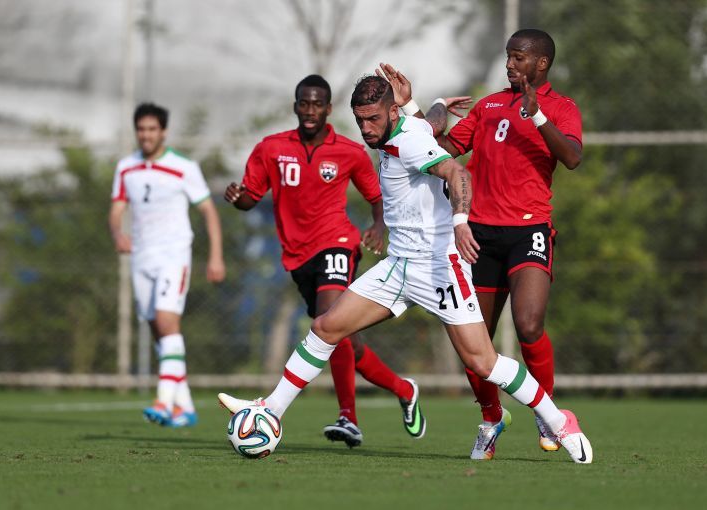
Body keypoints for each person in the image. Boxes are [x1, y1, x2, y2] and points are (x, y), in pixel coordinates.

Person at [218, 75, 593, 464]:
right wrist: (437, 102)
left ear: (392, 112)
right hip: (399, 266)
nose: (366, 129)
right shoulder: (406, 128)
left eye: (373, 119)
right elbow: (432, 123)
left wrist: (460, 221)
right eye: (360, 120)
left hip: (438, 268)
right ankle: (271, 409)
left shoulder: (409, 142)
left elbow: (459, 173)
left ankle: (559, 420)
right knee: (326, 327)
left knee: (483, 362)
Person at [380, 28, 583, 460]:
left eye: (518, 57)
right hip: (477, 234)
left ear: (541, 63)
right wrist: (411, 107)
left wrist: (537, 117)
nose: (509, 64)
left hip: (528, 230)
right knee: (475, 344)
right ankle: (491, 418)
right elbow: (441, 147)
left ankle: (547, 413)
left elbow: (572, 158)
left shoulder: (561, 107)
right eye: (508, 56)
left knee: (529, 326)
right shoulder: (489, 105)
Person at [224, 75, 425, 447]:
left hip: (337, 244)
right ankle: (403, 389)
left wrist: (378, 225)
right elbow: (250, 196)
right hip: (297, 256)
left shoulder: (349, 151)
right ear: (296, 106)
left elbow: (377, 196)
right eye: (304, 103)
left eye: (317, 104)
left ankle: (348, 417)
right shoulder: (271, 148)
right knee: (344, 339)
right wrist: (239, 198)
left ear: (329, 108)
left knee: (328, 320)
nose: (310, 110)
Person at [109, 102, 226, 427]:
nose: (146, 135)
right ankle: (184, 407)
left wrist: (216, 255)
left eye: (152, 129)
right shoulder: (126, 167)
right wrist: (117, 233)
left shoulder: (183, 167)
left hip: (173, 254)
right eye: (141, 129)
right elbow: (117, 209)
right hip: (141, 257)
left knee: (166, 321)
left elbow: (208, 211)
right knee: (157, 329)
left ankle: (162, 402)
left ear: (163, 132)